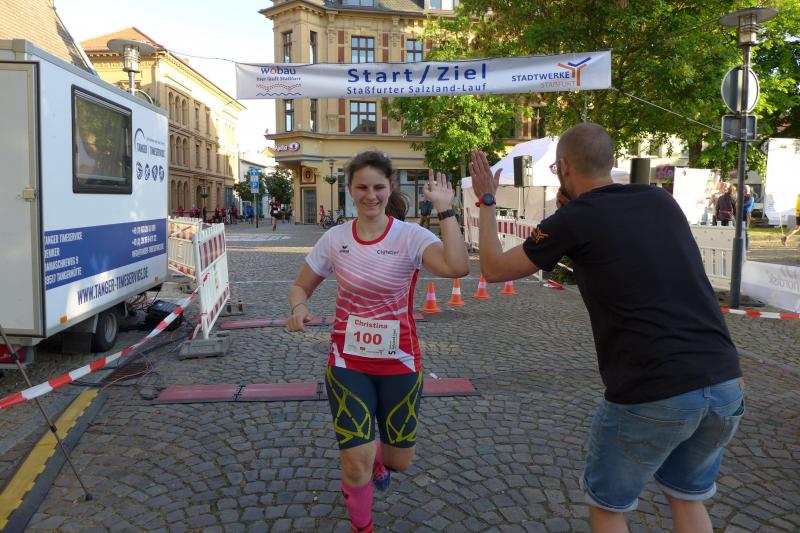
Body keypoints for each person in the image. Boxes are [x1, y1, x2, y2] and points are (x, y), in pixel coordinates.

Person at [469, 123, 743, 533]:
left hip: (653, 387)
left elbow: (492, 268)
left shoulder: (574, 219)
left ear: (564, 167)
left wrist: (487, 200)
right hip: (723, 381)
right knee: (687, 495)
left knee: (608, 506)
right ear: (610, 161)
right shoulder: (660, 200)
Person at [287, 151, 469, 533]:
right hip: (347, 362)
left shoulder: (410, 237)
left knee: (400, 461)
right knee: (356, 460)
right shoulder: (335, 239)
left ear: (390, 188)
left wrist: (445, 210)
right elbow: (300, 285)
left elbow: (457, 266)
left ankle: (381, 461)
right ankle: (363, 525)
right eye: (362, 187)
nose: (370, 195)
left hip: (400, 363)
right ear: (350, 190)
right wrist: (299, 307)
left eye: (378, 187)